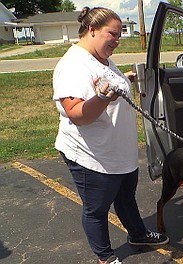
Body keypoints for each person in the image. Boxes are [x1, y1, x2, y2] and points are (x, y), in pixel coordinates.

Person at [52, 7, 169, 264]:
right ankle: (105, 257)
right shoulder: (73, 65)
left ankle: (137, 234)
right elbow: (78, 114)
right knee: (97, 209)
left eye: (119, 35)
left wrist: (123, 79)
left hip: (118, 152)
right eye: (112, 34)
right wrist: (104, 97)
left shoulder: (101, 57)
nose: (117, 40)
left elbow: (105, 82)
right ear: (92, 30)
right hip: (92, 155)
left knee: (126, 197)